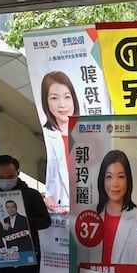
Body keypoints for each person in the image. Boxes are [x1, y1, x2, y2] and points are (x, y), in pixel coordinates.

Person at [79, 150, 137, 265]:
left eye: (121, 176)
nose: (114, 183)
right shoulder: (89, 215)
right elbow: (81, 260)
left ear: (128, 180)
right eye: (109, 177)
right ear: (102, 179)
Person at [40, 71, 79, 214]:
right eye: (54, 98)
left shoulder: (90, 134)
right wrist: (45, 196)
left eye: (67, 97)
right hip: (59, 214)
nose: (62, 104)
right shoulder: (44, 135)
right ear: (46, 102)